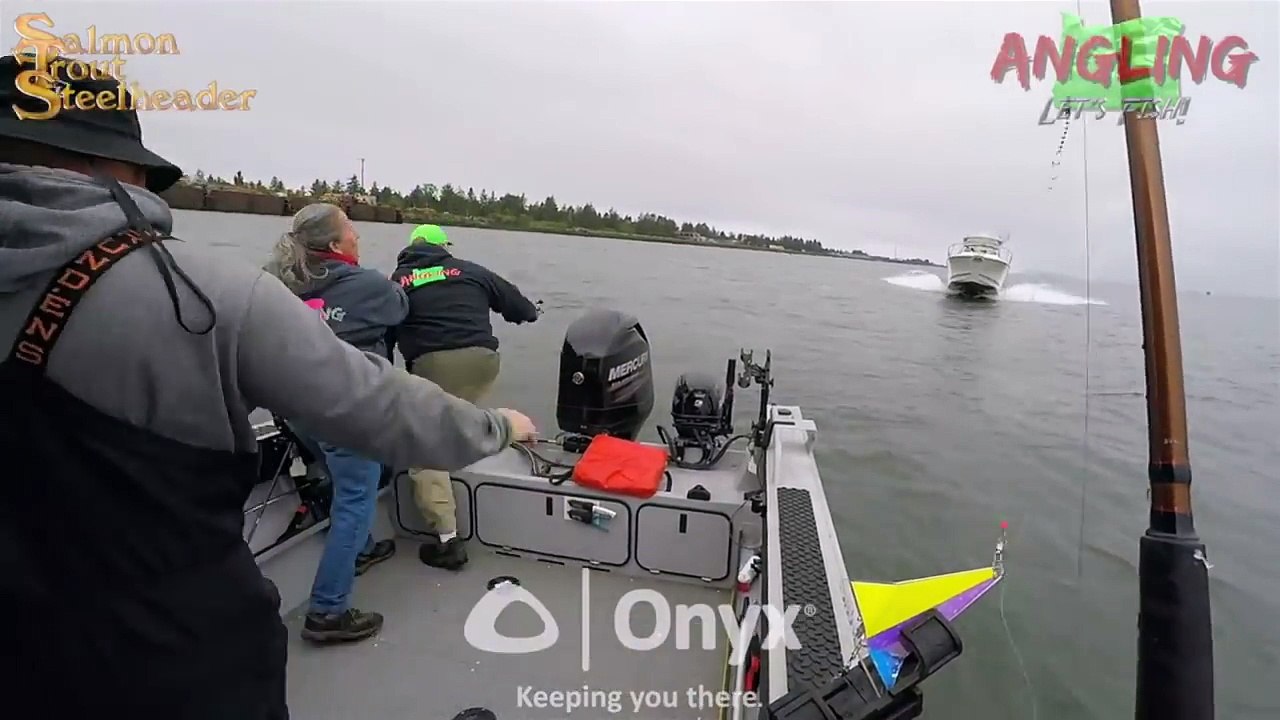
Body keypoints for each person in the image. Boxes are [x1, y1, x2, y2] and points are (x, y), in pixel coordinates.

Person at [0, 55, 536, 718]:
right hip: (172, 650)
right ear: (122, 169)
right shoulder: (210, 293)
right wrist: (499, 427)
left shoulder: (282, 283)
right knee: (356, 494)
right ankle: (340, 602)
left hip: (20, 646)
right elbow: (376, 399)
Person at [264, 202, 408, 644]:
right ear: (333, 244)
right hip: (346, 411)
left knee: (332, 473)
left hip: (294, 407)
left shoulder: (278, 281)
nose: (357, 238)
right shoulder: (364, 283)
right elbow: (399, 307)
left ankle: (363, 548)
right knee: (356, 499)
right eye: (352, 231)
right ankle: (327, 611)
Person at [391, 224, 540, 569]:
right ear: (445, 248)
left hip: (433, 363)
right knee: (460, 413)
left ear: (412, 249)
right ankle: (514, 431)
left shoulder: (398, 281)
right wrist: (528, 314)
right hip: (484, 360)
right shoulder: (471, 270)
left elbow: (385, 327)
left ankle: (447, 540)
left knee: (424, 447)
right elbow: (522, 308)